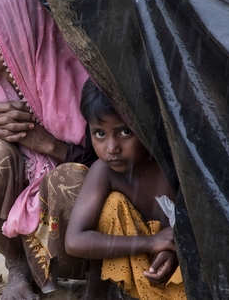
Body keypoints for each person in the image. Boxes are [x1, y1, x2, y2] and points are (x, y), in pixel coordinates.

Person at [0, 0, 95, 299]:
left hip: (77, 243)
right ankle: (17, 269)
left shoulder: (82, 85)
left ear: (15, 30)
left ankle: (81, 275)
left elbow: (117, 165)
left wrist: (48, 144)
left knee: (72, 179)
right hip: (12, 237)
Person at [65, 80, 186, 300]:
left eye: (125, 132)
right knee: (112, 205)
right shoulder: (104, 171)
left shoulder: (174, 164)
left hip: (187, 271)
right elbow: (74, 241)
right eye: (100, 134)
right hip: (143, 273)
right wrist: (150, 242)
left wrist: (173, 247)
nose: (112, 148)